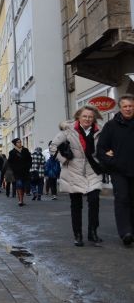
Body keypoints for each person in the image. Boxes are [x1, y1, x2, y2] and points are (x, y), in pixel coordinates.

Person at [50, 106, 104, 247]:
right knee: (76, 204)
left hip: (93, 170)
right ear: (78, 117)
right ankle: (77, 235)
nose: (87, 119)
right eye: (84, 116)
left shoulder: (99, 131)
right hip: (73, 171)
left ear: (94, 118)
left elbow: (105, 147)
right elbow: (53, 146)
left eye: (90, 117)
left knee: (94, 200)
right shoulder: (68, 131)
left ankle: (92, 232)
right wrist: (64, 160)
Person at [96, 94, 134, 246]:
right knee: (122, 198)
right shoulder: (111, 126)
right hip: (119, 171)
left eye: (131, 106)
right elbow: (101, 149)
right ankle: (126, 232)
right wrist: (112, 161)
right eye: (125, 106)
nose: (128, 109)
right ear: (120, 107)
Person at [8, 138, 32, 206]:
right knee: (19, 184)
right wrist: (14, 169)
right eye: (18, 142)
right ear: (15, 143)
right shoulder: (12, 152)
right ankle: (20, 200)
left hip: (25, 171)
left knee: (23, 186)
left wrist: (28, 166)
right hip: (17, 172)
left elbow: (30, 159)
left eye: (20, 142)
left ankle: (22, 199)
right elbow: (10, 162)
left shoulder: (25, 150)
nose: (20, 143)